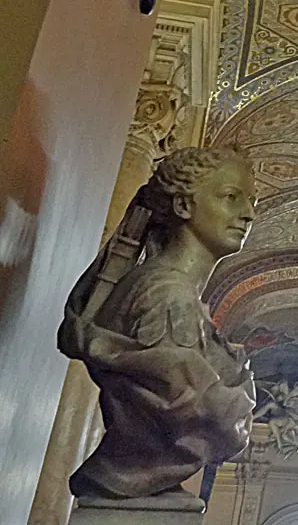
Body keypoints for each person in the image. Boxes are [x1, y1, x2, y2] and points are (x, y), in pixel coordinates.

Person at [59, 148, 258, 507]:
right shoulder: (166, 299)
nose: (249, 213)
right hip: (126, 481)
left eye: (250, 200)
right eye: (231, 197)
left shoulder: (169, 294)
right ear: (183, 206)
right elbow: (195, 410)